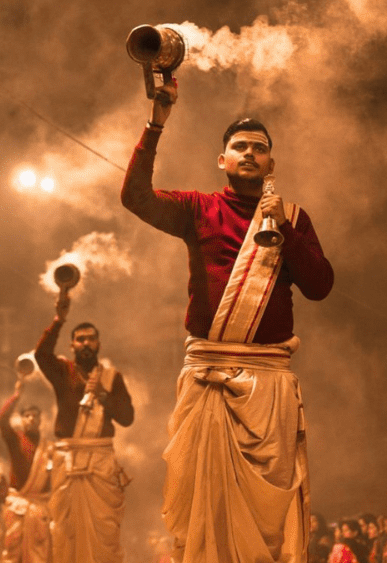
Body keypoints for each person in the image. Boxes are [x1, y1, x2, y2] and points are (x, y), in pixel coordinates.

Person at [121, 78, 334, 563]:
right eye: (240, 147)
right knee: (206, 515)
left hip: (269, 389)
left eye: (260, 148)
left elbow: (320, 286)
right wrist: (155, 125)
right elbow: (135, 197)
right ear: (223, 160)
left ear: (271, 164)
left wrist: (283, 227)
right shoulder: (199, 208)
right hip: (209, 381)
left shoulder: (294, 217)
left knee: (266, 527)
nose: (250, 154)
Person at [33, 293, 135, 562]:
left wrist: (103, 395)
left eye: (91, 338)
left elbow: (127, 418)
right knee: (65, 532)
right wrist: (59, 320)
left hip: (101, 465)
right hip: (68, 463)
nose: (86, 343)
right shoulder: (62, 371)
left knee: (105, 533)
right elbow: (40, 355)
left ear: (98, 343)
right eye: (81, 339)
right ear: (72, 345)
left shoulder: (113, 379)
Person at [0, 381, 51, 563]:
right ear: (22, 419)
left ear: (40, 420)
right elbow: (2, 419)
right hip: (17, 505)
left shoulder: (48, 447)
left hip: (39, 508)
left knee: (41, 554)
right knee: (13, 551)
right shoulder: (15, 438)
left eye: (35, 416)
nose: (32, 419)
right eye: (27, 416)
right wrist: (16, 396)